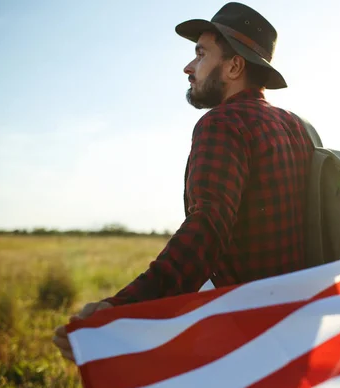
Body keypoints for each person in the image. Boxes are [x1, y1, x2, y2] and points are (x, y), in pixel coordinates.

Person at [53, 2, 315, 362]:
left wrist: (122, 309)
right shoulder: (295, 126)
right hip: (293, 321)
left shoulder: (222, 123)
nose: (189, 67)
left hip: (241, 330)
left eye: (201, 53)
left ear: (234, 65)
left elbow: (207, 228)